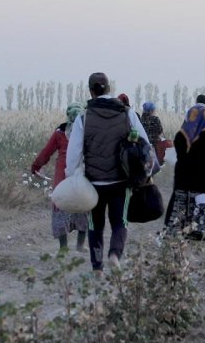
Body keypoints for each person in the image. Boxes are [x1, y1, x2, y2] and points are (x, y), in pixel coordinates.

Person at [66, 72, 151, 275]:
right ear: (109, 88)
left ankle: (97, 267)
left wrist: (71, 177)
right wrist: (146, 173)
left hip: (93, 183)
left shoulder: (84, 117)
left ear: (91, 91)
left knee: (95, 225)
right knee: (119, 222)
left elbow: (74, 153)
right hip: (120, 181)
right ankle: (114, 255)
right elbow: (145, 145)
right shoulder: (127, 114)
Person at [31, 103, 89, 252]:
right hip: (80, 174)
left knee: (60, 208)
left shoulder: (60, 132)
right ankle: (80, 245)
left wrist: (36, 167)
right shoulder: (86, 132)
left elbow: (46, 152)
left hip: (62, 176)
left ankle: (63, 248)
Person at [164, 104, 205, 232]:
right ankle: (201, 239)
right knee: (202, 216)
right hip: (202, 183)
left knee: (179, 217)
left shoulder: (181, 135)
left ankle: (177, 240)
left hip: (182, 182)